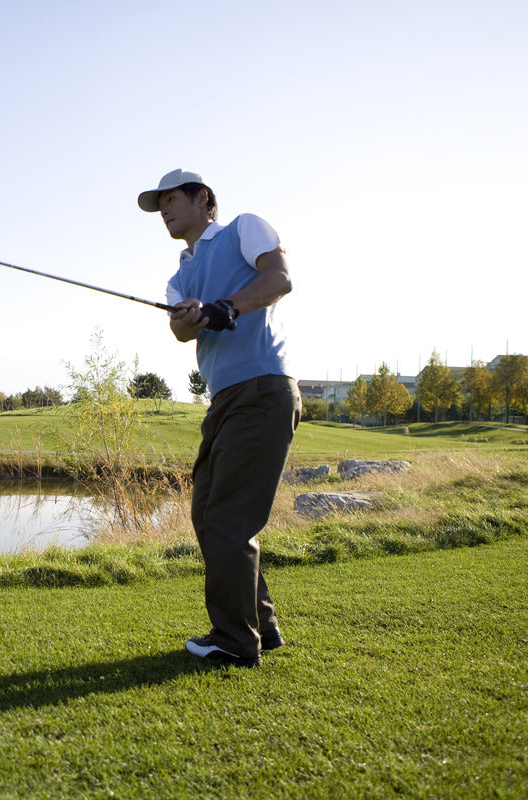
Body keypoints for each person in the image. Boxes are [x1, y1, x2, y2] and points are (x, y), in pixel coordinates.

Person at [138, 168, 301, 668]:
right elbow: (181, 333)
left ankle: (234, 640)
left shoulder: (241, 229)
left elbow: (279, 279)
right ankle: (260, 625)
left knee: (228, 518)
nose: (163, 210)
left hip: (263, 387)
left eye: (170, 199)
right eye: (158, 204)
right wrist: (189, 316)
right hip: (226, 399)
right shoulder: (179, 274)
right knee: (208, 513)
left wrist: (226, 306)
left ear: (202, 198)